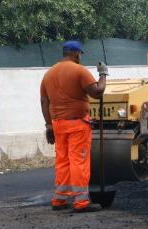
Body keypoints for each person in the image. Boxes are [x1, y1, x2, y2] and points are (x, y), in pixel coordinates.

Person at [40, 40, 108, 212]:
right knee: (78, 161)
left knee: (62, 161)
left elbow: (44, 101)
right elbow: (97, 93)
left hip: (58, 125)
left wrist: (49, 126)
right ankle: (81, 202)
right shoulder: (79, 70)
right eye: (80, 55)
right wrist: (103, 74)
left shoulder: (48, 74)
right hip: (77, 125)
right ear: (77, 53)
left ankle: (59, 199)